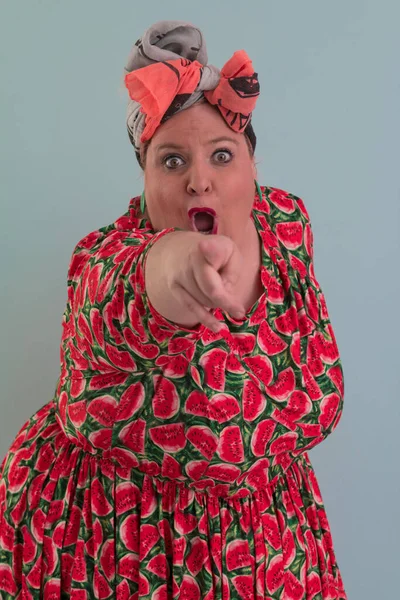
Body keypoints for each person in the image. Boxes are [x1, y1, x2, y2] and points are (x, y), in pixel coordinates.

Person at [0, 20, 347, 600]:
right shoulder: (105, 261)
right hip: (113, 547)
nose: (199, 181)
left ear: (253, 169)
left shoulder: (287, 230)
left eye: (221, 154)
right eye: (171, 161)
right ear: (143, 177)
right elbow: (122, 293)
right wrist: (172, 267)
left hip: (273, 548)